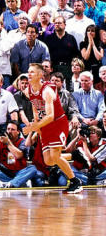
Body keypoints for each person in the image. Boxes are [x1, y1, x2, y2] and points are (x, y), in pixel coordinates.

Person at [23, 62, 83, 193]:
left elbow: (50, 116)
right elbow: (35, 105)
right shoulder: (28, 90)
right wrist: (36, 122)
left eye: (32, 72)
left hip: (57, 123)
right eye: (28, 71)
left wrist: (32, 128)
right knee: (49, 161)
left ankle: (75, 181)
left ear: (40, 75)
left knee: (55, 157)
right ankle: (70, 156)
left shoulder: (47, 91)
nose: (29, 74)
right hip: (44, 124)